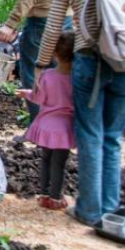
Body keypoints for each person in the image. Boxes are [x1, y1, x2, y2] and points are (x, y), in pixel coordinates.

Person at [35, 0, 125, 226]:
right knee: (113, 136)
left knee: (91, 134)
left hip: (91, 61)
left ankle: (90, 210)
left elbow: (55, 26)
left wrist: (42, 65)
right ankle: (110, 207)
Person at [20, 31, 75, 210]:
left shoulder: (48, 75)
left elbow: (40, 98)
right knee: (59, 163)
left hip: (46, 125)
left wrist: (27, 94)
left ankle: (43, 194)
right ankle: (56, 197)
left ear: (55, 53)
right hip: (65, 128)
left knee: (45, 159)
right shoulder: (78, 78)